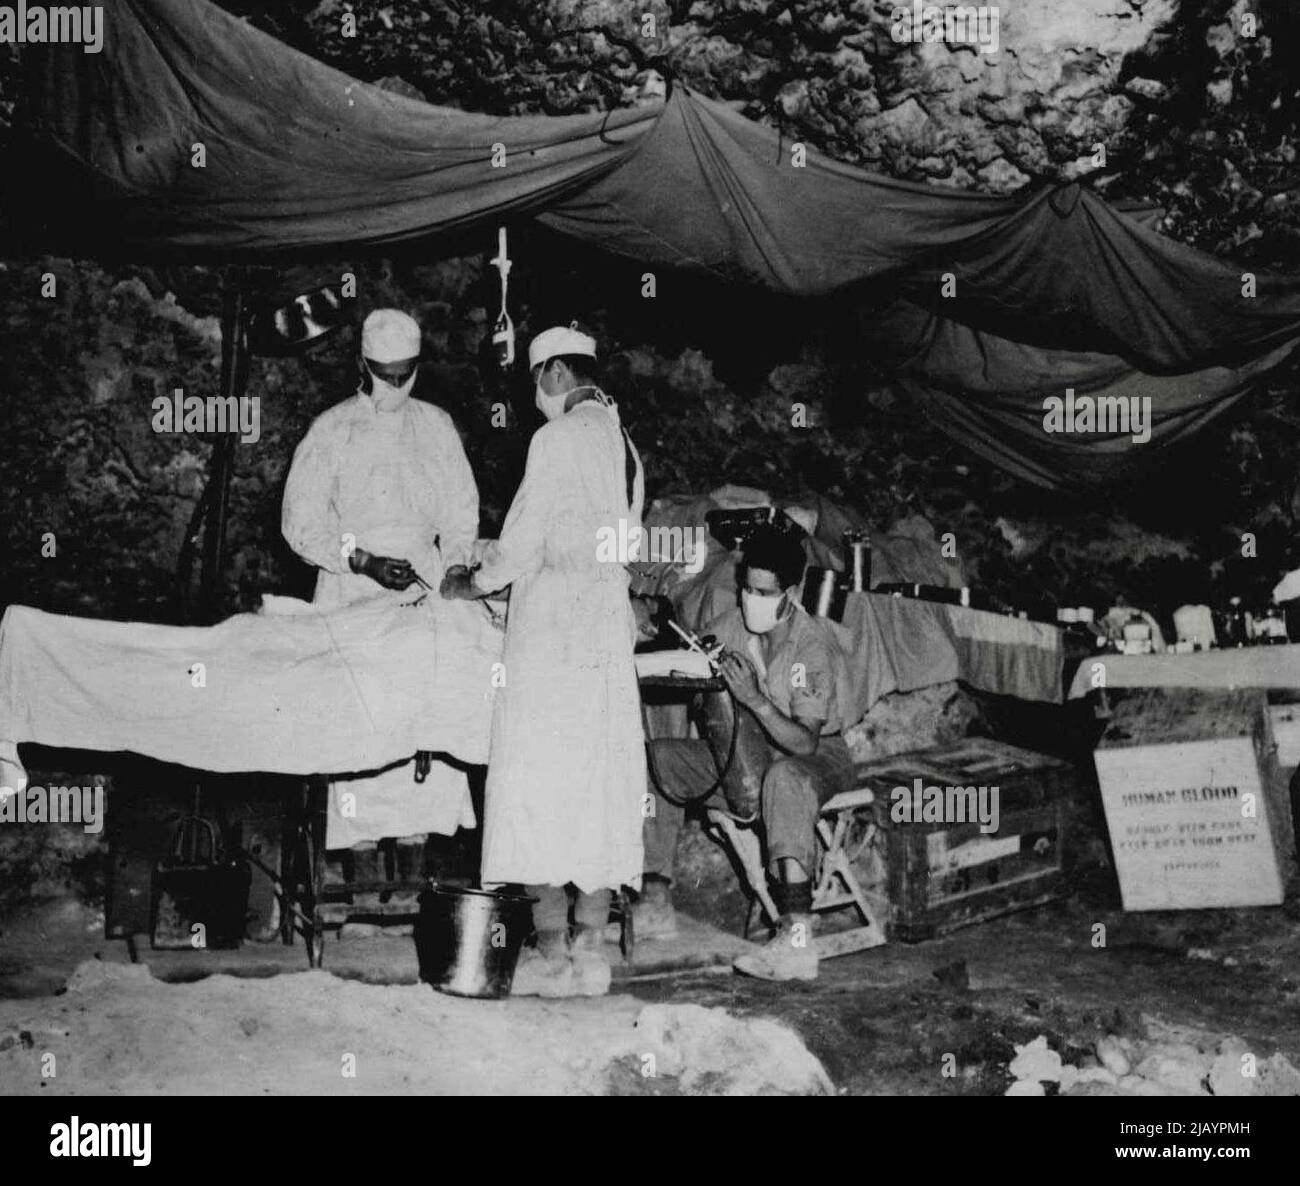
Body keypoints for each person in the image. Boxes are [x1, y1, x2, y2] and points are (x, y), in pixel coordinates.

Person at [442, 322, 646, 996]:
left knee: (533, 778)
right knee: (596, 783)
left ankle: (553, 946)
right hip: (604, 633)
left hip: (555, 630)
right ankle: (593, 949)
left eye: (537, 383)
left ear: (556, 374)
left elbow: (522, 542)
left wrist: (470, 579)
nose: (535, 398)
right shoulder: (625, 444)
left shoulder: (555, 437)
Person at [282, 308, 481, 893]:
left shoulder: (437, 426)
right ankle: (361, 885)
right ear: (361, 366)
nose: (395, 386)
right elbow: (301, 525)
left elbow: (461, 514)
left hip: (421, 596)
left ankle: (416, 891)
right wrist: (361, 559)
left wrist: (452, 569)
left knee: (425, 732)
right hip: (351, 592)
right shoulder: (332, 430)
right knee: (363, 736)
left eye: (406, 374)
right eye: (383, 374)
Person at [638, 526, 854, 981]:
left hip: (814, 756)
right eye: (746, 588)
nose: (751, 599)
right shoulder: (733, 625)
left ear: (790, 593)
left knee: (785, 779)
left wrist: (754, 698)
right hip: (743, 754)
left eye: (764, 592)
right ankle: (654, 893)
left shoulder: (809, 646)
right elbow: (692, 656)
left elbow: (804, 743)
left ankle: (796, 939)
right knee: (656, 759)